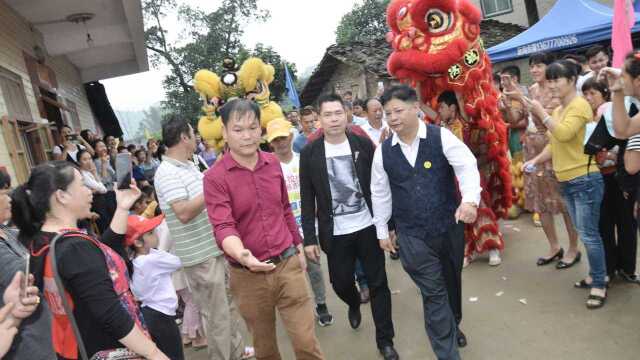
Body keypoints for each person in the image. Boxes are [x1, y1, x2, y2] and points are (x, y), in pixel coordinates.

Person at [204, 99, 324, 360]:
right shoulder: (215, 177)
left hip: (287, 263)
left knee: (306, 343)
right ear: (224, 132)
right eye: (238, 129)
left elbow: (284, 209)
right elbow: (223, 226)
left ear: (261, 130)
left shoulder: (272, 163)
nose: (247, 136)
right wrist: (244, 255)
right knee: (265, 348)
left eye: (253, 127)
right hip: (248, 276)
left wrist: (298, 247)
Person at [10, 161, 169, 359]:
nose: (89, 191)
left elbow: (99, 257)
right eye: (82, 185)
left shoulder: (42, 241)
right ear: (62, 196)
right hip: (107, 349)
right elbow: (110, 314)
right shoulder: (74, 248)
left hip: (73, 347)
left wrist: (122, 207)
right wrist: (154, 353)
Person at [373, 85, 480, 359]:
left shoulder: (440, 137)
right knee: (433, 293)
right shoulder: (383, 153)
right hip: (412, 235)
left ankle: (453, 322)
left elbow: (466, 165)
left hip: (448, 226)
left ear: (415, 108)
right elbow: (380, 192)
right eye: (388, 113)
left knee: (450, 282)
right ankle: (447, 353)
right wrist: (382, 230)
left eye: (398, 110)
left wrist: (469, 200)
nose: (393, 117)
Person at [300, 94, 398, 360]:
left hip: (367, 226)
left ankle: (385, 340)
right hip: (335, 232)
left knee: (379, 284)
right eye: (327, 115)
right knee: (341, 283)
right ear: (319, 120)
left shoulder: (361, 143)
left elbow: (380, 186)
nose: (333, 119)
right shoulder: (310, 152)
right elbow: (307, 197)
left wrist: (388, 223)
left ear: (346, 115)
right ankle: (353, 303)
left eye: (338, 113)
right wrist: (309, 237)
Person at [154, 116, 251, 360]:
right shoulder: (166, 172)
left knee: (227, 309)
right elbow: (184, 212)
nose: (197, 138)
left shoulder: (190, 164)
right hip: (200, 256)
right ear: (184, 138)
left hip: (214, 249)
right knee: (216, 316)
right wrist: (212, 183)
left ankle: (237, 353)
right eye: (192, 133)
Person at [523, 60, 607, 309]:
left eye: (556, 79)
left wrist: (541, 112)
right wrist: (535, 161)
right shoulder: (560, 110)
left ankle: (600, 283)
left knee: (590, 235)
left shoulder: (580, 105)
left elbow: (563, 134)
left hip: (585, 178)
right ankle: (595, 275)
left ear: (572, 80)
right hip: (566, 180)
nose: (551, 85)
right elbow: (554, 144)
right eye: (549, 80)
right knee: (585, 232)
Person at [266, 118, 335, 327]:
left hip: (307, 226)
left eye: (284, 137)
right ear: (270, 142)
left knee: (314, 268)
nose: (281, 142)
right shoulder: (267, 166)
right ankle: (296, 313)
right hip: (283, 230)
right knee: (289, 275)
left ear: (291, 135)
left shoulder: (303, 160)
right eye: (276, 139)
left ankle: (321, 304)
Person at [514, 53, 580, 268]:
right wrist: (515, 100)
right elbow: (522, 118)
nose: (534, 70)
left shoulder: (558, 92)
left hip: (552, 148)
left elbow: (549, 123)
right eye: (532, 66)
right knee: (539, 202)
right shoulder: (532, 90)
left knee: (564, 203)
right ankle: (553, 246)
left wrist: (527, 104)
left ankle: (573, 248)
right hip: (533, 149)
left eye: (538, 66)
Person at [582, 78, 639, 283]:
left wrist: (614, 155)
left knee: (626, 224)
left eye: (593, 93)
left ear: (604, 94)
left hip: (622, 178)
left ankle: (627, 268)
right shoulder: (585, 117)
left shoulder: (622, 110)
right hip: (599, 179)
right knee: (603, 224)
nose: (589, 98)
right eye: (585, 94)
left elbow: (630, 142)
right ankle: (608, 268)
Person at [0, 171, 54, 360]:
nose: (9, 198)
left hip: (44, 334)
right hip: (25, 346)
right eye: (4, 193)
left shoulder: (8, 231)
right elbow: (25, 272)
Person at [128, 214, 184, 360]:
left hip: (150, 313)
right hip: (161, 315)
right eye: (151, 233)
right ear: (138, 243)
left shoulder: (136, 260)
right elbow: (178, 262)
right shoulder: (151, 259)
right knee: (174, 355)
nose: (156, 233)